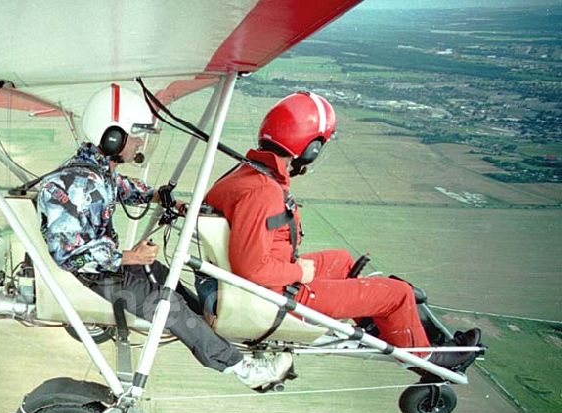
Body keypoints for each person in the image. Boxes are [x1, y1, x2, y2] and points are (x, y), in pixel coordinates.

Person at [38, 83, 293, 390]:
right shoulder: (69, 184)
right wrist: (127, 257)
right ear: (113, 136)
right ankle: (243, 369)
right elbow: (67, 254)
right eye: (135, 134)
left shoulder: (96, 171)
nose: (140, 142)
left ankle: (213, 334)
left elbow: (122, 189)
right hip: (93, 275)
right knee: (164, 304)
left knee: (164, 276)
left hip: (110, 266)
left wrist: (159, 197)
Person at [204, 91, 481, 371]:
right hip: (280, 295)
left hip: (269, 283)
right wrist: (299, 273)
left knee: (341, 260)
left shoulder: (245, 173)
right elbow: (251, 269)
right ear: (310, 148)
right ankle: (428, 359)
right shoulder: (263, 192)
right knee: (397, 294)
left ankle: (383, 327)